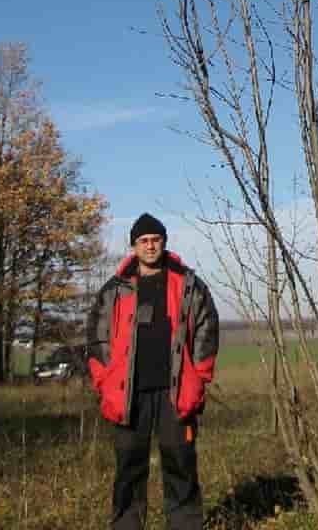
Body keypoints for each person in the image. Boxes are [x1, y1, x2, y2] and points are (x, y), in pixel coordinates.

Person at [87, 213, 219, 530]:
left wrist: (199, 378)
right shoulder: (114, 290)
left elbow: (207, 329)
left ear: (164, 242)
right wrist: (104, 382)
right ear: (134, 246)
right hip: (128, 395)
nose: (150, 246)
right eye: (143, 241)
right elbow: (97, 338)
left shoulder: (189, 285)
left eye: (155, 240)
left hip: (176, 393)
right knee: (129, 468)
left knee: (181, 464)